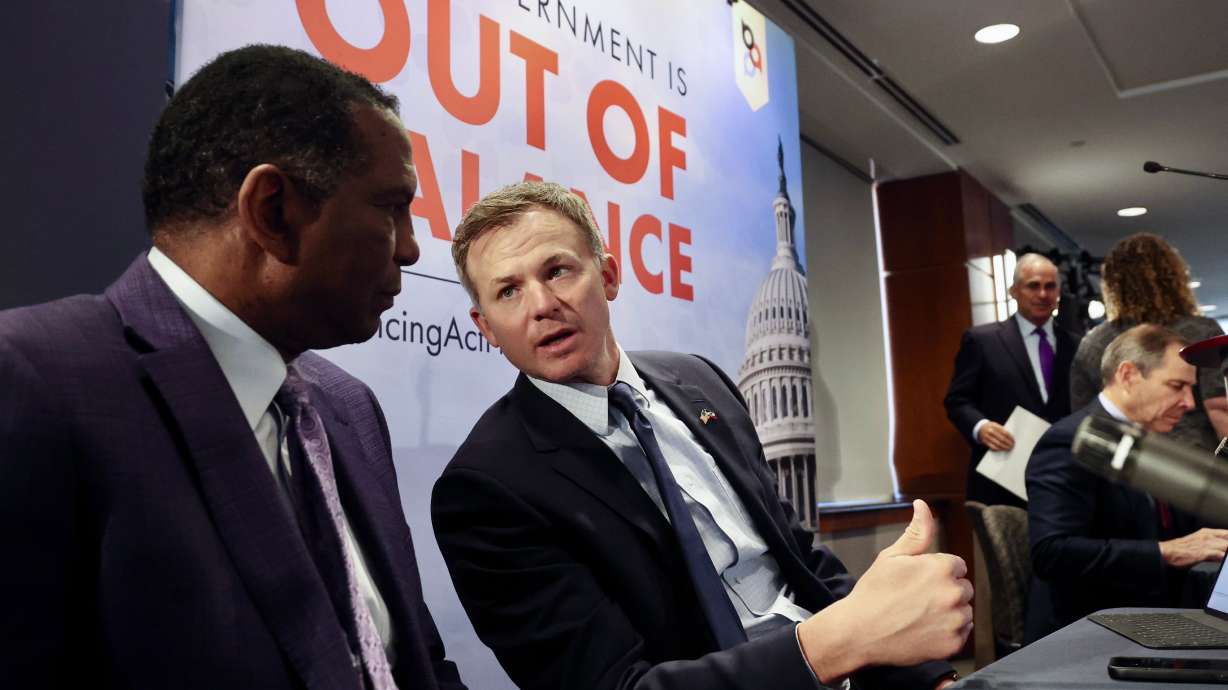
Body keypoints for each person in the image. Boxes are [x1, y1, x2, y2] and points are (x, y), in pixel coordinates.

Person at [0, 45, 465, 690]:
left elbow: (414, 662)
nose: (411, 249)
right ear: (272, 210)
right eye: (391, 207)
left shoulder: (349, 408)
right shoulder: (33, 382)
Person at [432, 181, 968, 690]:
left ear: (609, 276)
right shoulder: (485, 489)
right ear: (486, 327)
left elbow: (800, 561)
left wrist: (927, 677)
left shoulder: (701, 381)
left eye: (557, 271)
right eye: (508, 291)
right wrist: (844, 641)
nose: (541, 304)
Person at [1025, 324, 1228, 641]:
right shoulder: (1070, 441)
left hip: (1144, 618)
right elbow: (1052, 553)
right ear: (1128, 375)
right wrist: (1166, 552)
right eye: (1177, 386)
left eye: (1191, 389)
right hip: (1084, 632)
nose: (1190, 402)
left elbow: (1184, 524)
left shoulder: (1150, 438)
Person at [1070, 232, 1228, 452]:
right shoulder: (1202, 331)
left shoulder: (1093, 343)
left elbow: (1083, 418)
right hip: (1194, 459)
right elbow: (1219, 408)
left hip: (1123, 460)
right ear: (1172, 277)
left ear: (1113, 284)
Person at [944, 253, 1080, 508]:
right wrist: (981, 427)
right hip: (1001, 480)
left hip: (1062, 480)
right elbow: (957, 400)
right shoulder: (983, 340)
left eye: (1050, 286)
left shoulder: (1076, 345)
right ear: (1014, 291)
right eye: (1033, 286)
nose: (1042, 294)